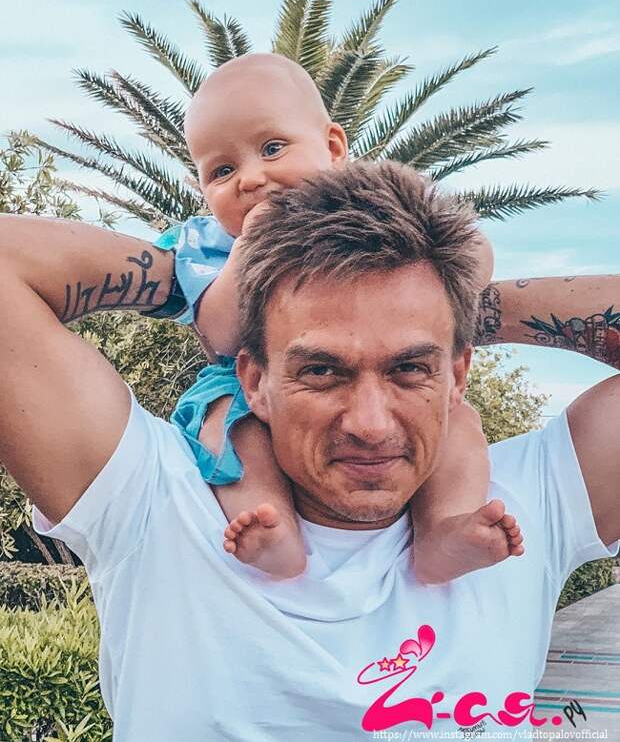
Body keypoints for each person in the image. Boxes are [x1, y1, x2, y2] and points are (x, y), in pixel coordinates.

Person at [0, 160, 617, 740]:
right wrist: (202, 289)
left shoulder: (524, 506)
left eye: (410, 367)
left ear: (458, 376)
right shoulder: (151, 502)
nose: (371, 425)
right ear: (253, 381)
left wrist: (456, 303)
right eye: (321, 372)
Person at [155, 52, 521, 584]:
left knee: (459, 421)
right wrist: (252, 246)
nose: (251, 179)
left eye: (272, 148)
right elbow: (221, 333)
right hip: (239, 381)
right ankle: (271, 525)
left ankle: (444, 528)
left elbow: (477, 258)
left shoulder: (376, 206)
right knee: (229, 428)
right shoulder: (208, 245)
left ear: (332, 148)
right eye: (222, 171)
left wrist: (423, 254)